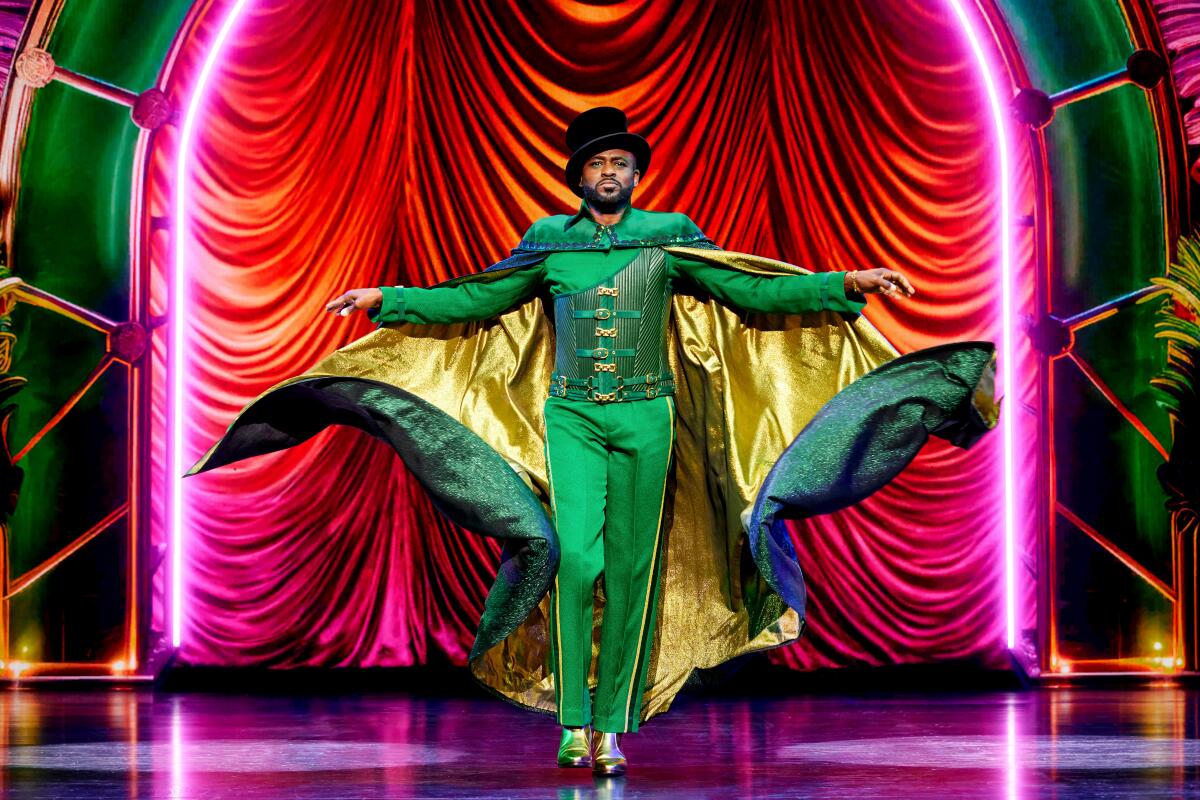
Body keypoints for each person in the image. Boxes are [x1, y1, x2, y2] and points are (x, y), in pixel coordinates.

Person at [190, 107, 996, 777]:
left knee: (636, 570)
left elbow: (749, 287)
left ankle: (610, 726)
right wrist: (387, 300)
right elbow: (477, 298)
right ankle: (573, 720)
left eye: (620, 161)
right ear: (577, 177)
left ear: (635, 174)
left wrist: (840, 284)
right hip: (572, 414)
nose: (609, 172)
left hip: (648, 415)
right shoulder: (551, 241)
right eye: (596, 163)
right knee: (578, 560)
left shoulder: (667, 235)